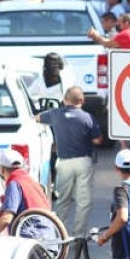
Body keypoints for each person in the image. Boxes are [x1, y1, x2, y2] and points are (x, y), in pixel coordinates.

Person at [35, 86, 103, 236]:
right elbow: (98, 140)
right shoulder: (87, 117)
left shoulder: (55, 114)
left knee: (62, 201)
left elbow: (38, 118)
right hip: (84, 162)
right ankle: (79, 235)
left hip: (64, 162)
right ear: (82, 101)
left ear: (65, 100)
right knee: (83, 202)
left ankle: (59, 234)